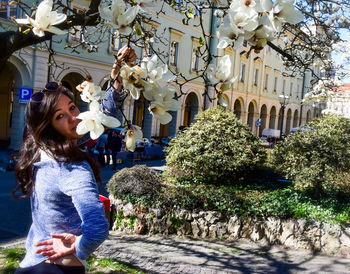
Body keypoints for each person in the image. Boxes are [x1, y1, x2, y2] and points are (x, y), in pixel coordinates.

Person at [13, 46, 137, 274]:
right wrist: (78, 248)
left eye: (72, 107)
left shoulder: (43, 150)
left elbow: (102, 118)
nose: (74, 117)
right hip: (52, 266)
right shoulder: (71, 167)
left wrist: (118, 76)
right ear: (48, 128)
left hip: (45, 264)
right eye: (60, 116)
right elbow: (98, 228)